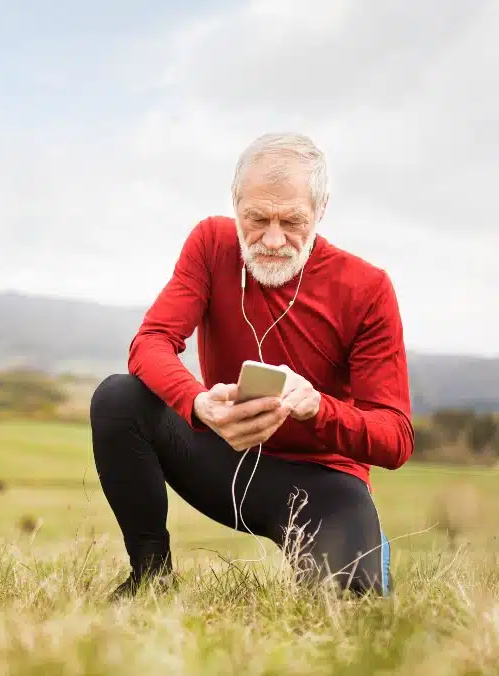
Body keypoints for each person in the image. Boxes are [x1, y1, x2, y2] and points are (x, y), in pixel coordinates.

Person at [89, 132, 414, 601]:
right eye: (257, 218)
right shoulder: (211, 243)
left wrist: (319, 409)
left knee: (349, 607)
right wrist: (198, 404)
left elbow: (396, 438)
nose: (273, 239)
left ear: (320, 211)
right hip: (222, 457)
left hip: (320, 483)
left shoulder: (367, 288)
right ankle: (150, 578)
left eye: (292, 221)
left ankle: (366, 547)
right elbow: (151, 342)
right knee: (119, 398)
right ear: (235, 204)